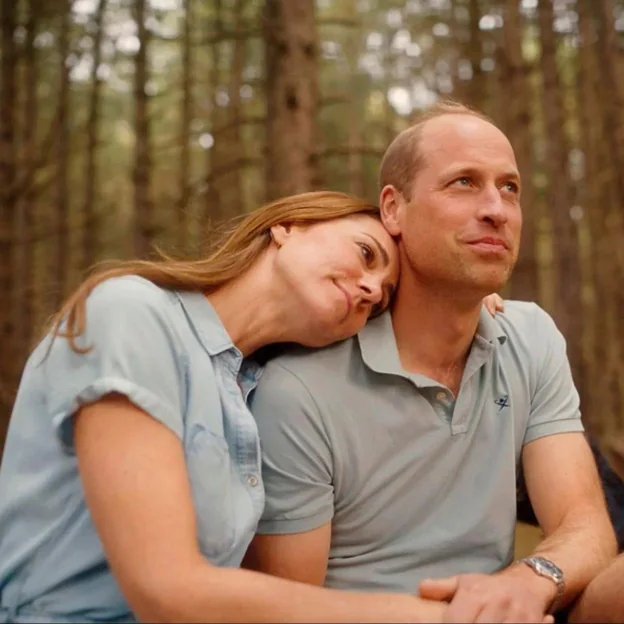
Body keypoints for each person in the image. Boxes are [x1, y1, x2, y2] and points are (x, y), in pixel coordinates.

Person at [0, 190, 505, 623]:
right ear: (287, 227)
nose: (371, 289)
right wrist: (425, 616)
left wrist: (455, 309)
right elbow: (165, 590)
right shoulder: (132, 313)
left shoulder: (257, 394)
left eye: (380, 301)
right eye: (366, 254)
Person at [244, 101, 618, 623]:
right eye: (463, 182)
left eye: (509, 187)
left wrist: (527, 583)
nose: (496, 209)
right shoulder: (298, 386)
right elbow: (287, 610)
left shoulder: (530, 336)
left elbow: (586, 526)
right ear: (393, 209)